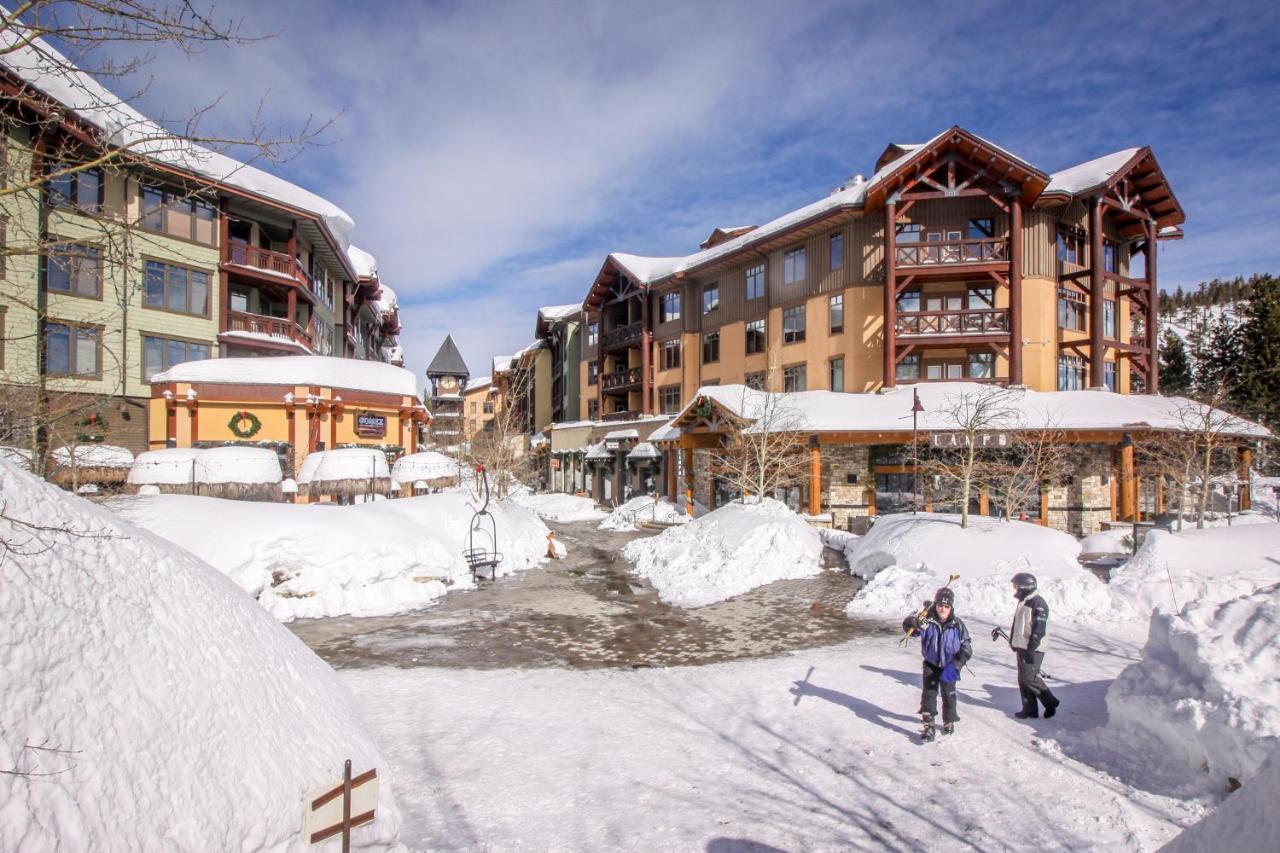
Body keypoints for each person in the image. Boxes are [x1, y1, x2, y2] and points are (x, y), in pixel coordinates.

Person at [902, 586, 972, 741]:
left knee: (949, 694)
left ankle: (949, 720)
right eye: (940, 605)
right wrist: (911, 623)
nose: (943, 609)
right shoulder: (927, 620)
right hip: (931, 663)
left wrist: (957, 664)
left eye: (947, 606)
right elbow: (912, 627)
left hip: (950, 664)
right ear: (936, 605)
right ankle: (929, 726)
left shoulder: (957, 624)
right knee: (929, 693)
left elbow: (966, 647)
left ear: (951, 607)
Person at [993, 572, 1060, 719]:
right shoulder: (1024, 601)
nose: (1015, 588)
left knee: (1029, 678)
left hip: (1033, 648)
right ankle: (1029, 709)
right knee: (1022, 679)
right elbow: (1019, 626)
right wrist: (1014, 642)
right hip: (1022, 646)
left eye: (1016, 586)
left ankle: (1050, 702)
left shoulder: (1038, 603)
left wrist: (1031, 647)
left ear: (1025, 586)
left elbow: (1039, 629)